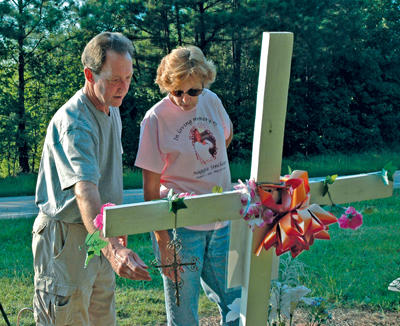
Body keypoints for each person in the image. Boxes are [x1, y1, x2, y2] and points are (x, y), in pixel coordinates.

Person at [32, 32, 151, 326]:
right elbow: (85, 191)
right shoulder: (75, 122)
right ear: (89, 74)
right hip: (68, 238)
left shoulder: (111, 106)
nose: (123, 87)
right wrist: (112, 249)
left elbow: (105, 179)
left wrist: (113, 233)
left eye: (128, 77)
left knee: (102, 320)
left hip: (99, 232)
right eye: (114, 79)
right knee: (68, 319)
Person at [135, 46, 241, 326]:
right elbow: (149, 188)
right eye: (176, 92)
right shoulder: (155, 119)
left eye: (192, 91)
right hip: (180, 229)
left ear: (204, 83)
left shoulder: (212, 101)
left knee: (238, 305)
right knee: (183, 316)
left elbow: (225, 138)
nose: (184, 99)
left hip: (222, 223)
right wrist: (162, 240)